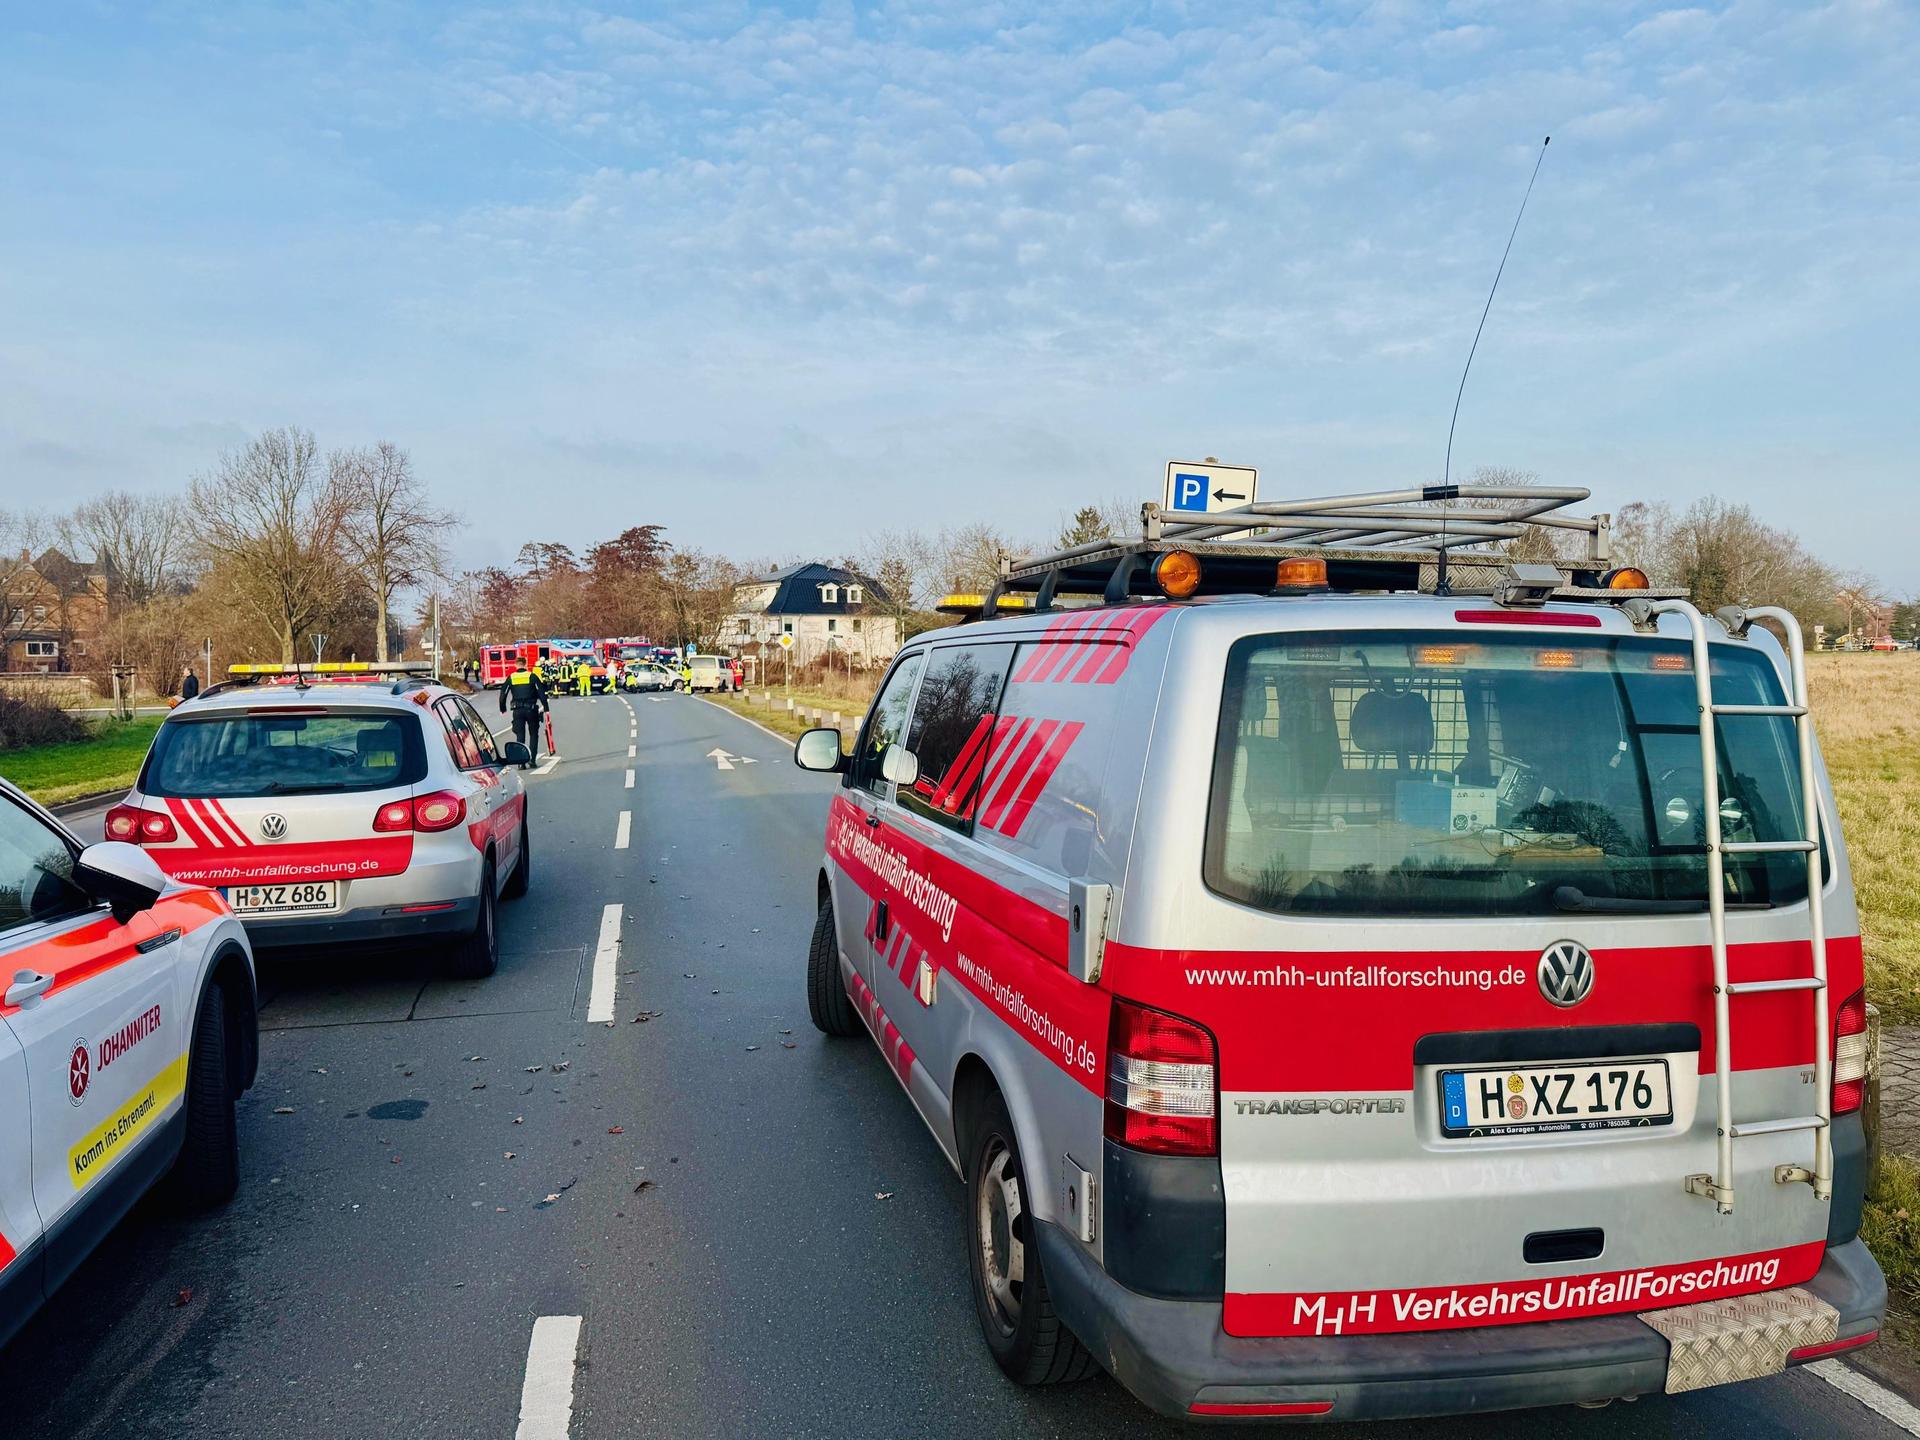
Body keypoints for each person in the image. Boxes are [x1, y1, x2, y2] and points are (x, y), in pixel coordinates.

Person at [499, 657, 549, 766]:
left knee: (520, 735)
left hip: (517, 711)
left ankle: (521, 762)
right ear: (525, 664)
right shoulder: (532, 676)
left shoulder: (511, 677)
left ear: (516, 665)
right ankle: (532, 760)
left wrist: (502, 708)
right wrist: (546, 707)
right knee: (533, 734)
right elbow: (541, 692)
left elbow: (503, 693)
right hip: (531, 709)